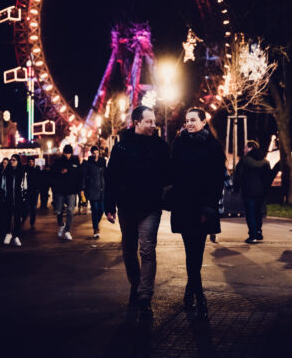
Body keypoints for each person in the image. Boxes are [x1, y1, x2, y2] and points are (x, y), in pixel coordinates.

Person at [105, 105, 170, 319]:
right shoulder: (121, 148)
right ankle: (136, 283)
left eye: (154, 121)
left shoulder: (160, 147)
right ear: (136, 122)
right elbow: (112, 178)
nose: (153, 125)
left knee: (147, 250)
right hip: (126, 206)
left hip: (151, 206)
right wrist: (109, 205)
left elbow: (169, 174)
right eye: (149, 121)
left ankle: (144, 296)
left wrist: (164, 193)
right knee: (128, 250)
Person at [171, 107, 225, 319]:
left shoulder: (213, 147)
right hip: (184, 205)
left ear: (203, 122)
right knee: (190, 250)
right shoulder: (178, 144)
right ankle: (196, 291)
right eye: (187, 120)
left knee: (197, 250)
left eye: (193, 120)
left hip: (203, 207)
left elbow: (217, 180)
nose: (189, 124)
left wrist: (208, 206)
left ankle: (193, 290)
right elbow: (173, 172)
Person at [234, 140, 271, 244]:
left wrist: (236, 188)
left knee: (250, 213)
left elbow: (239, 176)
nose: (244, 149)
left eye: (245, 147)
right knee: (258, 212)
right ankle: (259, 232)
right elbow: (268, 178)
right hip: (261, 192)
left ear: (250, 148)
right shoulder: (265, 161)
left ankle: (252, 235)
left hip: (248, 191)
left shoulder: (244, 161)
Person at [51, 144, 81, 241]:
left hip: (71, 190)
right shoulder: (58, 161)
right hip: (60, 190)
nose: (67, 155)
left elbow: (79, 175)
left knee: (70, 211)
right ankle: (61, 225)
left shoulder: (75, 161)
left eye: (69, 153)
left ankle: (67, 231)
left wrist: (79, 188)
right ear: (63, 153)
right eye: (66, 153)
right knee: (58, 210)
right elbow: (53, 173)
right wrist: (60, 172)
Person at [0, 154, 27, 247]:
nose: (11, 161)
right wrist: (4, 194)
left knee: (17, 218)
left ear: (18, 161)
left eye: (14, 160)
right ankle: (8, 233)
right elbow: (3, 186)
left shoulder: (22, 172)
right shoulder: (6, 172)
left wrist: (23, 196)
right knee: (7, 216)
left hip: (18, 198)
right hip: (8, 198)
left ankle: (16, 236)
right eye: (11, 160)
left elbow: (25, 185)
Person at [82, 145, 106, 238]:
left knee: (102, 210)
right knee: (95, 210)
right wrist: (83, 188)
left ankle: (96, 223)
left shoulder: (102, 162)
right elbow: (85, 176)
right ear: (91, 153)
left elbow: (105, 175)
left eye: (97, 152)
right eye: (94, 153)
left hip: (102, 190)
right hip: (92, 190)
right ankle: (95, 228)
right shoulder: (89, 164)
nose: (95, 154)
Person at [22, 157, 41, 229]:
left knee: (33, 208)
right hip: (28, 191)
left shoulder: (36, 169)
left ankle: (32, 223)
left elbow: (40, 178)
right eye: (29, 161)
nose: (31, 163)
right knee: (26, 207)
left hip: (35, 191)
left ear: (34, 162)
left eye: (32, 161)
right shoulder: (25, 170)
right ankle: (23, 220)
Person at [0, 158, 9, 235]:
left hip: (7, 195)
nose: (4, 164)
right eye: (3, 163)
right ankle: (1, 227)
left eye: (5, 163)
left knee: (6, 212)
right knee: (0, 211)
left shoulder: (10, 173)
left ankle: (5, 227)